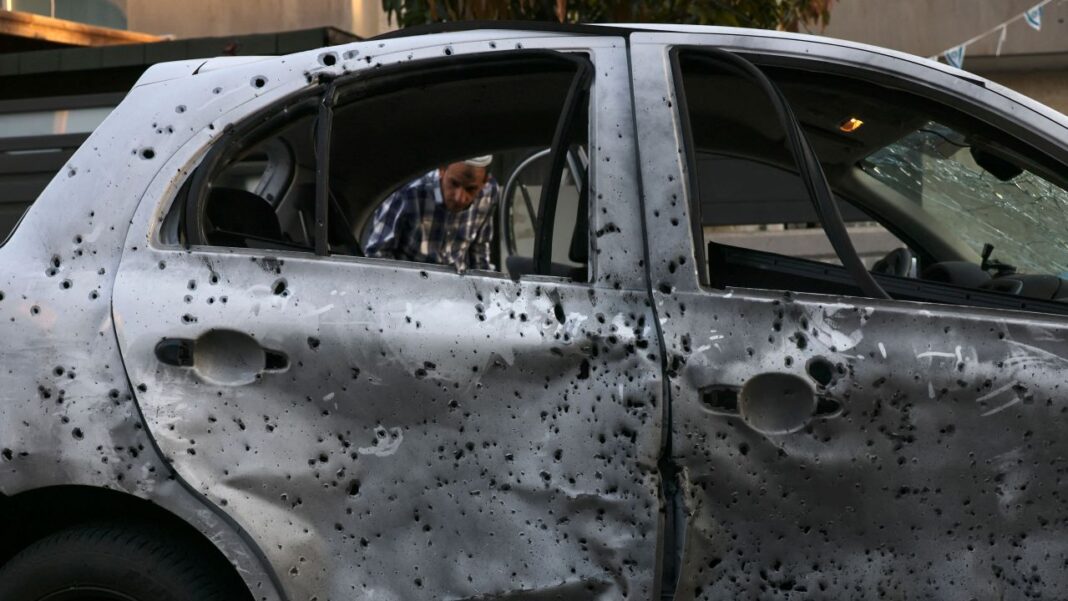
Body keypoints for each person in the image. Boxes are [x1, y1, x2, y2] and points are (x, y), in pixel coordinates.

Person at [365, 156, 500, 271]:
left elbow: (479, 253)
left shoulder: (488, 193)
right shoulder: (407, 192)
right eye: (454, 183)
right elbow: (377, 255)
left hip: (458, 290)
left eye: (471, 189)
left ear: (484, 182)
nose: (459, 197)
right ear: (442, 170)